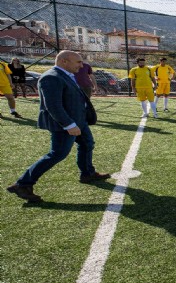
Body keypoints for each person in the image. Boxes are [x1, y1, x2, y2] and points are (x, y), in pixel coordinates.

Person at [6, 50, 110, 203]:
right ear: (64, 61)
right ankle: (23, 184)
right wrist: (69, 125)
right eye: (78, 62)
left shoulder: (65, 74)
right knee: (57, 154)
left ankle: (87, 173)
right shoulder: (51, 77)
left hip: (78, 121)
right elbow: (53, 106)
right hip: (65, 124)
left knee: (87, 144)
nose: (82, 66)